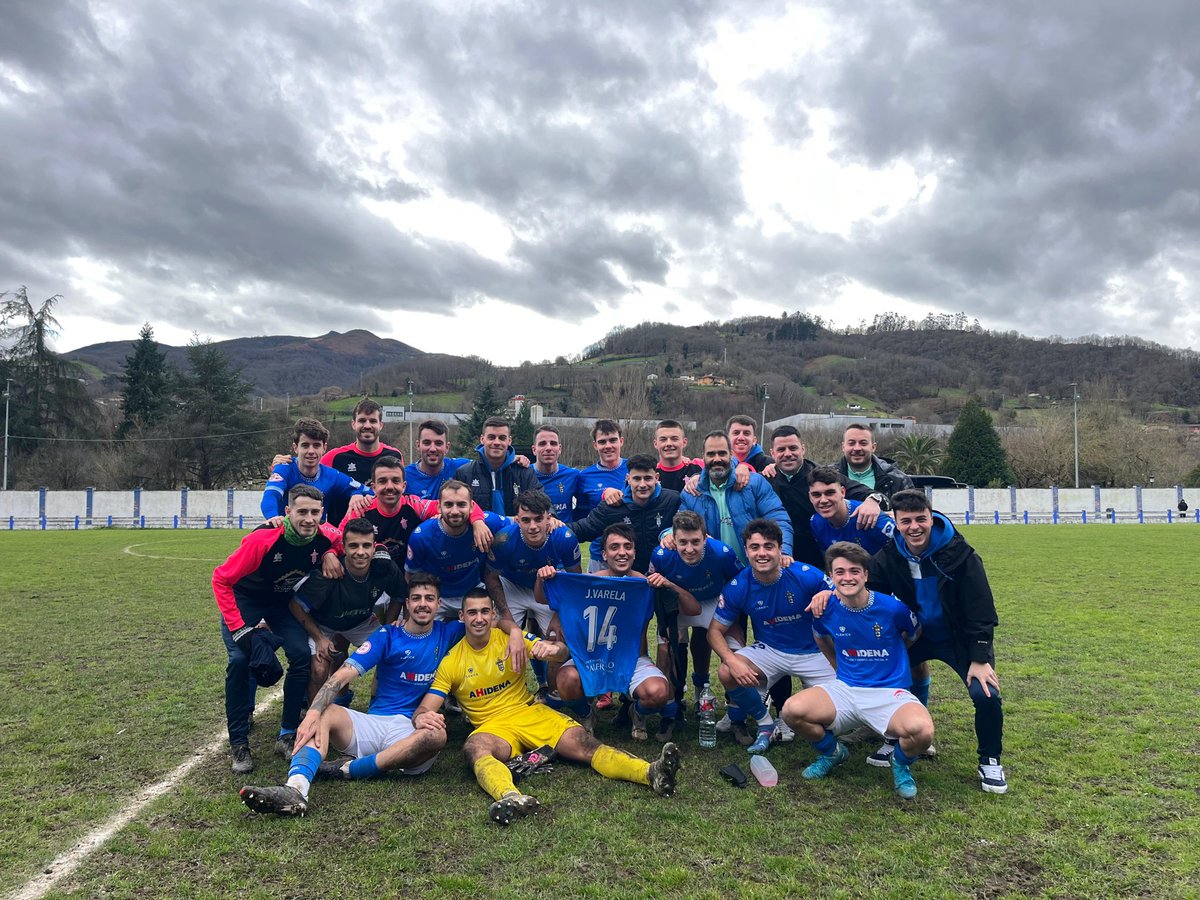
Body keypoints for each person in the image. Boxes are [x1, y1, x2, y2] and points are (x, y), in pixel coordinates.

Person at [412, 587, 681, 826]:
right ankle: (511, 797)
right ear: (462, 617)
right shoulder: (452, 661)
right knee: (475, 749)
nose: (479, 618)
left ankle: (651, 773)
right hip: (492, 726)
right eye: (472, 613)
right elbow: (426, 708)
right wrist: (423, 718)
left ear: (494, 615)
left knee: (586, 744)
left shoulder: (510, 639)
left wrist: (554, 652)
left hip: (530, 712)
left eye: (485, 611)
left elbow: (560, 652)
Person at [237, 574, 463, 817]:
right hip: (375, 723)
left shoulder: (448, 632)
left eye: (429, 598)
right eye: (416, 598)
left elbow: (484, 620)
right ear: (406, 604)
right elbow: (341, 676)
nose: (422, 604)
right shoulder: (388, 635)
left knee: (437, 736)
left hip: (410, 730)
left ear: (438, 604)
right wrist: (312, 712)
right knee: (325, 712)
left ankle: (347, 769)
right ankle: (297, 788)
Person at [867, 489, 1008, 794]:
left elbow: (981, 609)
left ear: (932, 518)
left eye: (921, 519)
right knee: (885, 683)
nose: (914, 527)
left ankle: (990, 759)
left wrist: (980, 658)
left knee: (985, 694)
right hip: (918, 635)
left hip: (959, 639)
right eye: (906, 521)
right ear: (896, 522)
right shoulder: (890, 555)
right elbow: (869, 593)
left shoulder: (961, 554)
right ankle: (898, 739)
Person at [781, 542, 933, 799]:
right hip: (847, 690)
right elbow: (820, 637)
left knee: (922, 732)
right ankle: (832, 753)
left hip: (889, 692)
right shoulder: (824, 608)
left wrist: (895, 657)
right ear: (830, 576)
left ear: (866, 575)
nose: (847, 577)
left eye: (854, 571)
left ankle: (900, 764)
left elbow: (913, 634)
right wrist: (837, 667)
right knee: (792, 711)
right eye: (840, 572)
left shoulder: (892, 608)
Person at [214, 484, 340, 772]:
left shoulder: (324, 536)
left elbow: (355, 539)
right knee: (239, 660)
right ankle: (239, 743)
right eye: (302, 512)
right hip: (245, 603)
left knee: (300, 654)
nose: (309, 519)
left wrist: (332, 551)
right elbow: (221, 579)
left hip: (281, 606)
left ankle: (286, 733)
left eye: (315, 512)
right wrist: (238, 627)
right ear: (287, 512)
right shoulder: (264, 540)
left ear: (322, 514)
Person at [708, 518, 835, 754]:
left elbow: (841, 595)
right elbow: (714, 631)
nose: (762, 553)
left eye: (768, 546)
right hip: (771, 649)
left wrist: (828, 594)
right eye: (754, 547)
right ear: (746, 551)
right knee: (727, 671)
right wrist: (732, 660)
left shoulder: (805, 575)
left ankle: (792, 716)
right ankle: (765, 722)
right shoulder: (739, 585)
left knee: (834, 716)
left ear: (780, 548)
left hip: (814, 652)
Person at [290, 517, 408, 699]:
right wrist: (319, 638)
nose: (360, 552)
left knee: (394, 652)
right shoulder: (327, 574)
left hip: (362, 622)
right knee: (320, 668)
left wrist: (389, 626)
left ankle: (380, 705)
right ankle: (314, 718)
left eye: (366, 546)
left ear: (374, 547)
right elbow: (296, 605)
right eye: (353, 546)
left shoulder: (384, 567)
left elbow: (399, 595)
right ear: (343, 547)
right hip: (324, 625)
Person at [647, 511, 741, 735]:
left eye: (696, 542)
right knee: (666, 650)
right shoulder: (661, 554)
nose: (689, 549)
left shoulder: (721, 553)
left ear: (706, 538)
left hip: (713, 600)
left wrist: (730, 614)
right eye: (683, 542)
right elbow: (652, 585)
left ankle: (736, 714)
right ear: (674, 539)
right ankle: (670, 712)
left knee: (735, 652)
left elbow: (738, 582)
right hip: (677, 602)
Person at [486, 490, 582, 692]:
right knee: (499, 636)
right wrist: (505, 613)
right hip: (513, 585)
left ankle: (554, 692)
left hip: (549, 588)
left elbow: (575, 580)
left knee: (559, 639)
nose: (533, 526)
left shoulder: (564, 537)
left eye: (539, 519)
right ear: (517, 520)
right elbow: (491, 577)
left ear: (549, 517)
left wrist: (559, 614)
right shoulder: (504, 539)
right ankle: (501, 692)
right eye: (526, 520)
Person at [676, 431, 793, 568]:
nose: (717, 459)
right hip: (715, 574)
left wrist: (783, 551)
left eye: (722, 453)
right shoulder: (691, 492)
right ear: (703, 457)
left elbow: (778, 517)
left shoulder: (754, 483)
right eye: (711, 454)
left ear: (731, 454)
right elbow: (679, 527)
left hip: (757, 570)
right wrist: (666, 535)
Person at [351, 455, 489, 567]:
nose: (389, 486)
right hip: (370, 577)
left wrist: (477, 521)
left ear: (404, 486)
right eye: (382, 481)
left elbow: (458, 505)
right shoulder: (360, 509)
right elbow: (341, 540)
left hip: (407, 575)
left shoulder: (414, 504)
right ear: (373, 487)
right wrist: (330, 553)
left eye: (395, 481)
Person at [405, 480, 510, 622]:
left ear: (472, 506)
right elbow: (410, 575)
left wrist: (551, 520)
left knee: (494, 634)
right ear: (439, 507)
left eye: (461, 504)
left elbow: (518, 524)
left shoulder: (488, 523)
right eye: (448, 504)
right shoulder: (422, 536)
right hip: (437, 596)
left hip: (474, 590)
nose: (455, 511)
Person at [569, 454, 682, 577]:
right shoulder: (612, 506)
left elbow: (688, 526)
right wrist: (556, 528)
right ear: (628, 478)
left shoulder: (672, 500)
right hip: (628, 580)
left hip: (665, 576)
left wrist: (672, 532)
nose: (643, 484)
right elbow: (584, 528)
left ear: (656, 478)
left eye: (648, 478)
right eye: (637, 478)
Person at [261, 417, 373, 523]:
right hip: (284, 533)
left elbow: (370, 492)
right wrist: (274, 518)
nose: (311, 451)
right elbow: (271, 495)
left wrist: (357, 494)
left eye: (316, 445)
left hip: (316, 538)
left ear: (324, 448)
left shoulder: (332, 476)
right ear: (295, 448)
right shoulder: (284, 467)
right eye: (305, 445)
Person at [319, 398, 403, 525]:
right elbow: (308, 475)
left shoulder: (395, 455)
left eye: (373, 421)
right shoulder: (335, 457)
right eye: (362, 420)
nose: (367, 426)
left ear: (381, 425)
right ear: (353, 424)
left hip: (381, 535)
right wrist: (284, 464)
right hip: (342, 537)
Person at [457, 416, 542, 515]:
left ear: (509, 441)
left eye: (502, 438)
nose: (497, 442)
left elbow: (540, 504)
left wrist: (551, 517)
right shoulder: (464, 473)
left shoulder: (524, 473)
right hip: (477, 530)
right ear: (482, 439)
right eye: (491, 437)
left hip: (515, 530)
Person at [834, 424, 913, 528]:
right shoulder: (829, 477)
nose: (857, 448)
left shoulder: (897, 479)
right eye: (851, 443)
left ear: (873, 447)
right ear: (843, 447)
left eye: (863, 443)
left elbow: (913, 515)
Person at [574, 419, 629, 571]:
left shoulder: (633, 469)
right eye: (602, 442)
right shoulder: (584, 476)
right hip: (599, 556)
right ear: (595, 445)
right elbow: (582, 515)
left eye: (613, 440)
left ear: (621, 441)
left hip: (630, 555)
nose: (608, 446)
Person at [808, 466, 897, 555]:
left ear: (843, 492)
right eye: (816, 495)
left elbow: (905, 546)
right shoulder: (816, 522)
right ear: (810, 497)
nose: (823, 500)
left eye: (830, 493)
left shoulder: (871, 517)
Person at [405, 420, 472, 500]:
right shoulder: (405, 476)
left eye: (438, 443)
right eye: (427, 443)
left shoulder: (462, 467)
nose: (433, 449)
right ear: (418, 445)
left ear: (447, 447)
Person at [530, 425, 580, 519]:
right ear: (534, 450)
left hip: (564, 532)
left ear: (559, 449)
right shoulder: (524, 475)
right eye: (542, 444)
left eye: (553, 443)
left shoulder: (573, 476)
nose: (548, 448)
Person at [653, 419, 701, 493]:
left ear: (684, 442)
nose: (669, 444)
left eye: (674, 439)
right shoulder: (650, 475)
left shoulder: (698, 469)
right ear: (655, 444)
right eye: (663, 439)